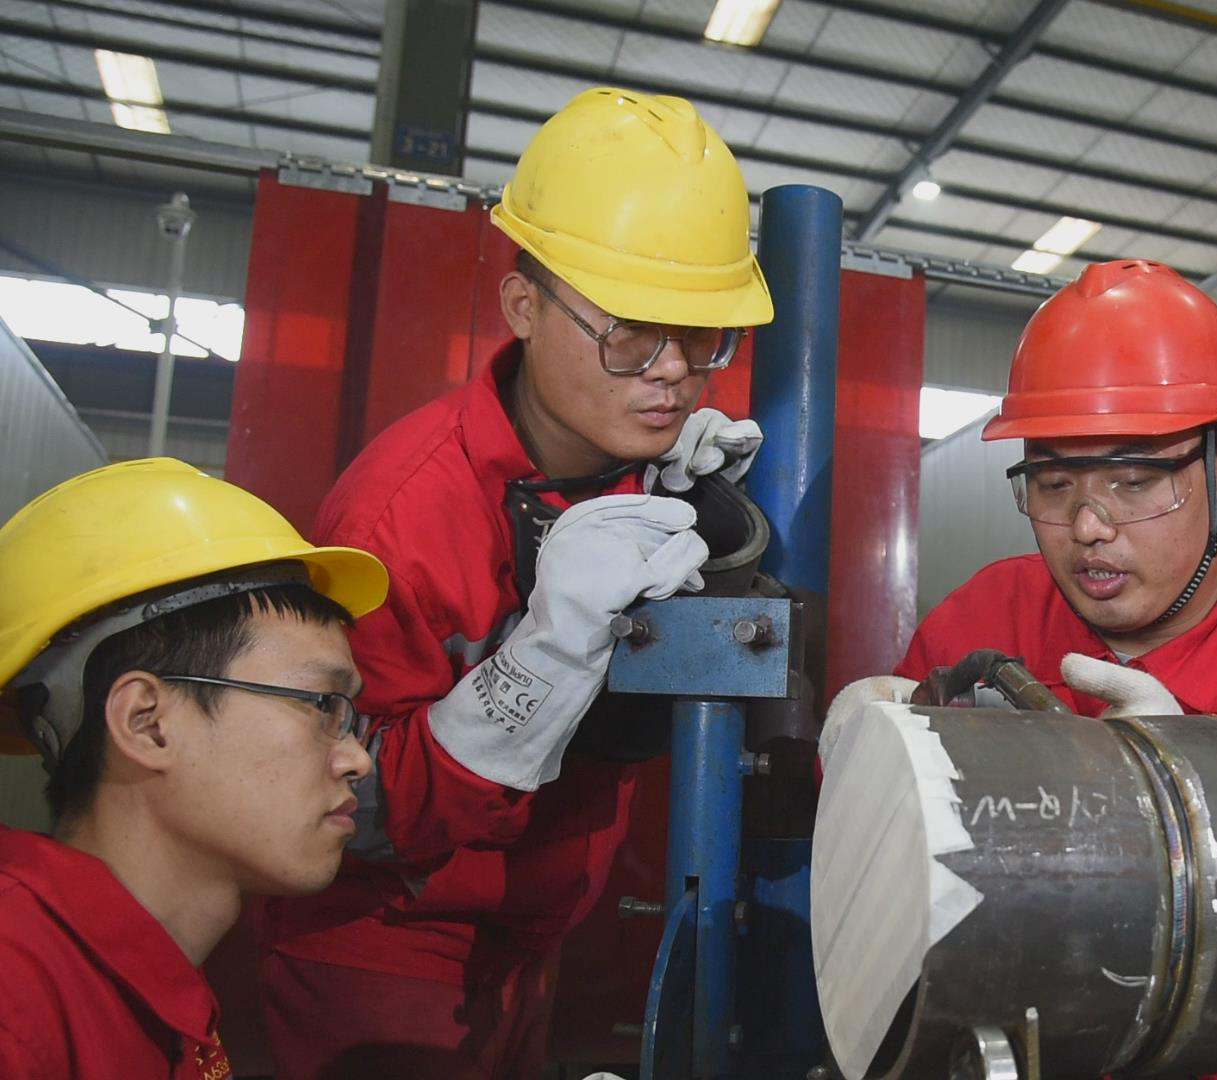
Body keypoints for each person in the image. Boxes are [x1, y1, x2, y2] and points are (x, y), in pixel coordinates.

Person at [254, 88, 772, 1079]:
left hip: (534, 936)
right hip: (383, 945)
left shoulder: (639, 474)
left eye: (703, 335)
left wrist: (696, 517)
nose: (673, 372)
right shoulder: (395, 521)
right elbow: (329, 808)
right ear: (523, 307)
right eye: (631, 331)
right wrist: (533, 666)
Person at [842, 256, 1217, 952]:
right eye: (1054, 484)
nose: (1089, 526)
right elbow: (877, 879)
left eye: (1134, 481)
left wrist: (1186, 788)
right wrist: (856, 759)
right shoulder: (981, 619)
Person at [0, 457, 387, 1078]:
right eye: (321, 705)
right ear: (147, 722)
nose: (357, 759)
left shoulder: (131, 985)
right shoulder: (17, 1000)